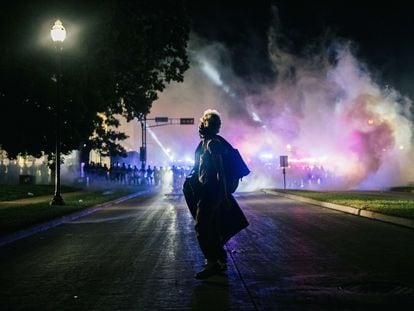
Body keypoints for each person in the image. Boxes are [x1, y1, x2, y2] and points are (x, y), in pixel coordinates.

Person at [183, 109, 249, 279]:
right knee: (212, 226)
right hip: (209, 191)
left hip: (213, 191)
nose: (199, 127)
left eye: (202, 124)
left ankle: (212, 261)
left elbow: (219, 171)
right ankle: (219, 259)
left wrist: (224, 195)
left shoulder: (213, 143)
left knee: (202, 226)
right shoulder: (207, 142)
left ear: (207, 125)